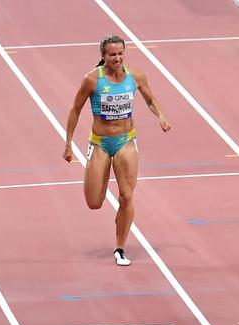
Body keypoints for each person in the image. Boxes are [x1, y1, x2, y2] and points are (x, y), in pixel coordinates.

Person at [62, 35, 171, 266]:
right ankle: (117, 225)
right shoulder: (92, 80)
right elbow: (75, 110)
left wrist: (160, 115)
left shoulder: (136, 76)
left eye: (120, 53)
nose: (117, 58)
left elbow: (150, 100)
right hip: (100, 142)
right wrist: (68, 143)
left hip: (126, 141)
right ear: (103, 56)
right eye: (112, 54)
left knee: (126, 196)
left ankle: (119, 247)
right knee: (94, 202)